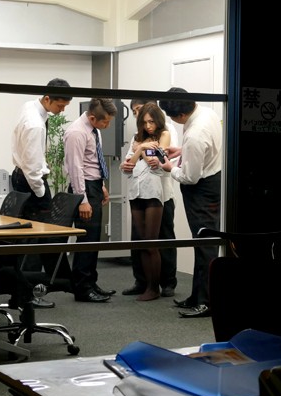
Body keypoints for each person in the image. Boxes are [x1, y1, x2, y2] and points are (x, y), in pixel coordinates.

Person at [158, 87, 222, 318]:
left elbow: (190, 177)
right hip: (211, 181)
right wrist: (182, 150)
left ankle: (206, 302)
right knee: (201, 243)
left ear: (181, 115)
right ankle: (198, 296)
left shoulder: (195, 133)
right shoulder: (208, 113)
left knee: (205, 246)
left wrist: (170, 168)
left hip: (201, 190)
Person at [10, 78, 73, 308]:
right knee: (37, 237)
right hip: (31, 183)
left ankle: (25, 290)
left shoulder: (29, 107)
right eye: (60, 105)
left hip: (20, 178)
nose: (62, 110)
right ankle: (29, 292)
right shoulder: (35, 124)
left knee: (29, 236)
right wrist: (40, 192)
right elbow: (33, 166)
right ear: (47, 99)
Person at [121, 98, 179, 298]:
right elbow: (128, 165)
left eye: (150, 121)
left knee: (157, 240)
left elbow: (157, 163)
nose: (147, 125)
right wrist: (140, 149)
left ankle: (163, 284)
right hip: (137, 191)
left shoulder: (166, 132)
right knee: (140, 241)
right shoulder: (137, 137)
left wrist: (141, 150)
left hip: (158, 193)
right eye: (143, 120)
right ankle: (144, 283)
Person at [63, 97, 119, 303]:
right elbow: (75, 168)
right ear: (93, 118)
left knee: (94, 238)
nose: (108, 126)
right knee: (86, 239)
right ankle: (82, 288)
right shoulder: (76, 132)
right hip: (83, 188)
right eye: (106, 122)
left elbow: (94, 160)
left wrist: (101, 186)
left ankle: (91, 282)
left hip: (93, 185)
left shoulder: (93, 130)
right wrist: (83, 199)